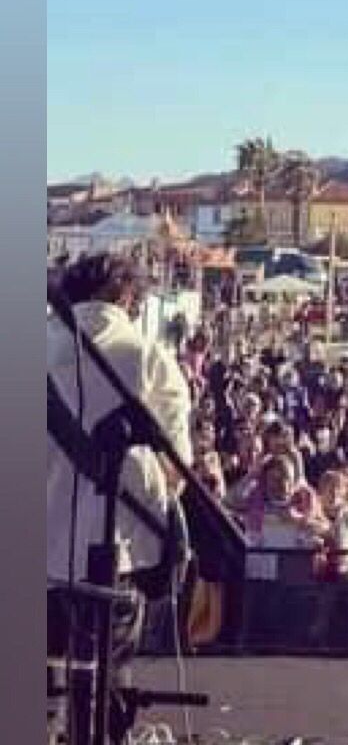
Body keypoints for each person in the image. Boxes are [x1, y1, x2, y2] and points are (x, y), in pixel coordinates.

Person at [47, 253, 197, 745]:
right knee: (102, 678)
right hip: (116, 553)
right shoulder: (147, 354)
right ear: (129, 295)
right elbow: (176, 463)